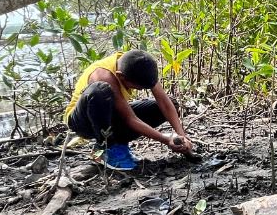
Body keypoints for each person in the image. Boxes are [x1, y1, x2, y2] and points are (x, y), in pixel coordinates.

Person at [63, 49, 195, 171]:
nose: (140, 90)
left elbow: (165, 104)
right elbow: (130, 118)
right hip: (83, 122)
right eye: (138, 88)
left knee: (169, 105)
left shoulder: (140, 65)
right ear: (121, 76)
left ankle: (119, 143)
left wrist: (181, 135)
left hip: (112, 117)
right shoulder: (103, 75)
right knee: (100, 90)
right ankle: (107, 147)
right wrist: (166, 139)